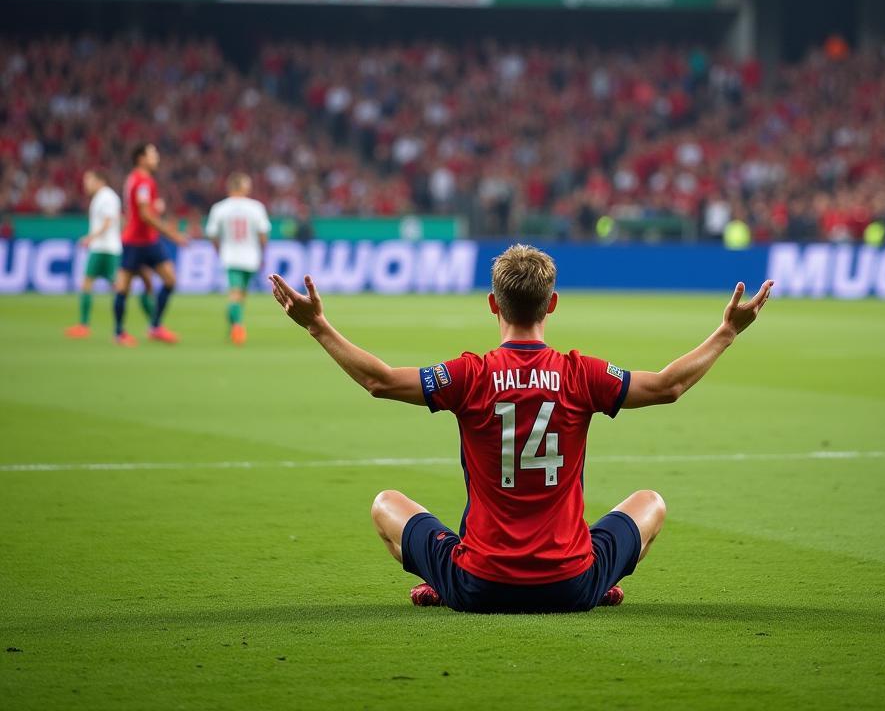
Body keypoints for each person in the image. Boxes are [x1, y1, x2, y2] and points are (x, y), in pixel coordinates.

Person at [269, 243, 772, 614]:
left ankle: (440, 581)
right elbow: (666, 386)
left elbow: (378, 381)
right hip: (571, 584)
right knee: (651, 503)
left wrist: (317, 325)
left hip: (478, 584)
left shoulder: (470, 374)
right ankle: (603, 580)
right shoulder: (581, 373)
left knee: (386, 504)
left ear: (493, 304)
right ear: (551, 304)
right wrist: (727, 331)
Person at [112, 143, 188, 347]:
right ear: (141, 158)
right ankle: (119, 333)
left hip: (149, 240)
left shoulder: (136, 179)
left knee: (170, 280)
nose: (157, 158)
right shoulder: (143, 180)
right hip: (135, 241)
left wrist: (156, 207)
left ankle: (155, 327)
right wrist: (173, 235)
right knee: (123, 287)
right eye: (153, 155)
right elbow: (145, 215)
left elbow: (141, 209)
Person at [65, 168, 155, 337]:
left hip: (105, 248)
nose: (86, 184)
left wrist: (90, 238)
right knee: (103, 285)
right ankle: (86, 325)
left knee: (118, 287)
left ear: (100, 180)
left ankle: (145, 323)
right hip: (102, 247)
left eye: (89, 180)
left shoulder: (107, 197)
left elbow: (108, 222)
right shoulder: (100, 197)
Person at [205, 172, 271, 345]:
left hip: (230, 255)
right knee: (237, 293)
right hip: (251, 256)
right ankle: (238, 327)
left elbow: (212, 234)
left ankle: (234, 324)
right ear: (242, 186)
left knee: (238, 294)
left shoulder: (219, 208)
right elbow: (263, 234)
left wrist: (219, 250)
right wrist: (263, 253)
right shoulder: (256, 207)